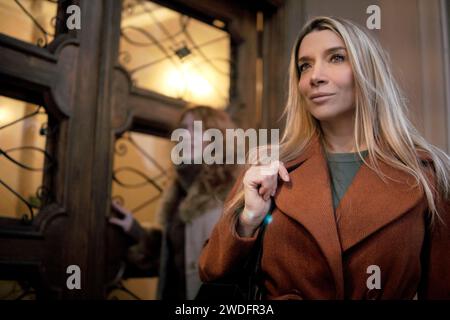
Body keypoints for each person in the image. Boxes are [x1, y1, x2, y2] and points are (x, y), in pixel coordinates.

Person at [199, 16, 450, 300]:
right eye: (305, 65)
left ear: (368, 72)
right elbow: (212, 272)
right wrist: (248, 219)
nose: (314, 76)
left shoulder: (427, 174)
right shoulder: (269, 164)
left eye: (336, 58)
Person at [110, 106, 237, 300]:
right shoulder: (177, 193)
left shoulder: (231, 192)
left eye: (196, 129)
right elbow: (173, 259)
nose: (185, 135)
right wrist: (134, 229)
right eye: (183, 128)